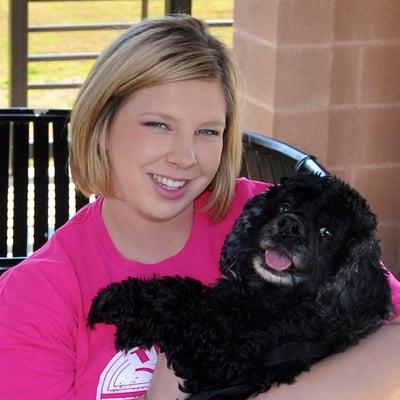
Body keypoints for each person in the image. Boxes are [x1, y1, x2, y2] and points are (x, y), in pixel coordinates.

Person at [0, 14, 399, 400]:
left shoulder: (267, 219)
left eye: (208, 131)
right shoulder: (36, 296)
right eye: (158, 124)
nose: (185, 156)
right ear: (102, 125)